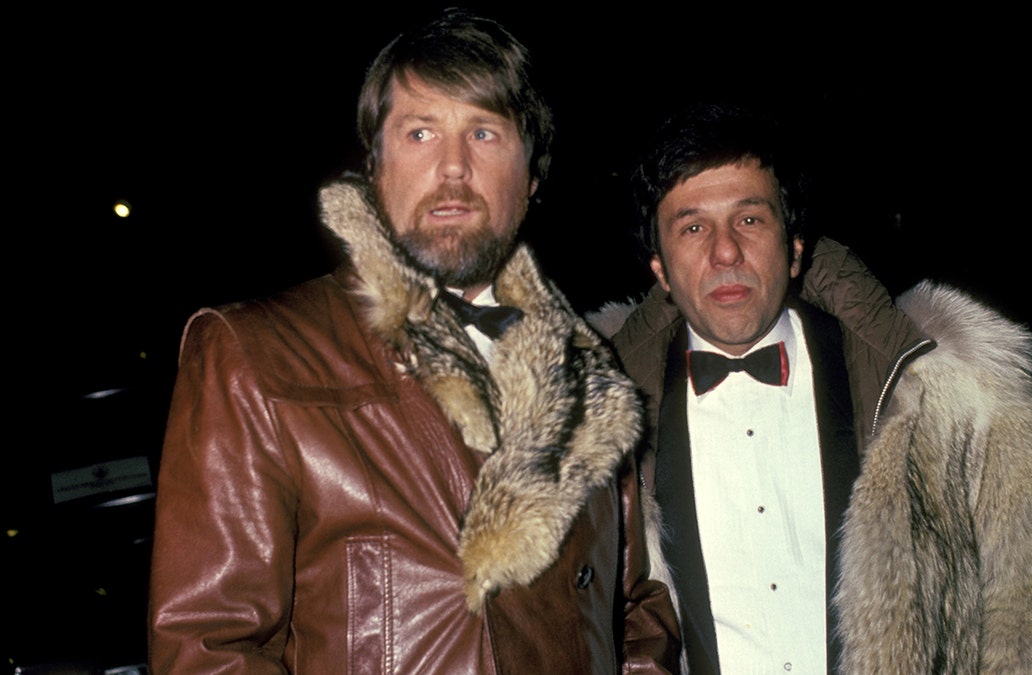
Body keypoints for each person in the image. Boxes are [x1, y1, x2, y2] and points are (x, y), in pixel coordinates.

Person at [147, 9, 680, 673]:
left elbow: (637, 614)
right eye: (420, 132)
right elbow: (208, 649)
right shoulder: (257, 353)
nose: (452, 168)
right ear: (375, 169)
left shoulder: (591, 379)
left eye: (483, 132)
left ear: (532, 176)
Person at [591, 103, 1032, 673]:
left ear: (794, 249)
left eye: (750, 220)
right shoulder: (585, 424)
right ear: (661, 269)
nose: (725, 253)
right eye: (693, 227)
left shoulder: (948, 388)